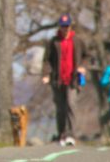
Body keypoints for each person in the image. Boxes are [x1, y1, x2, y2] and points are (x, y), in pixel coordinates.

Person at [42, 13, 87, 146]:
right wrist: (46, 74)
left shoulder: (77, 41)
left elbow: (86, 56)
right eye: (62, 26)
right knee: (60, 108)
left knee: (71, 105)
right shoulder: (54, 41)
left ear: (70, 26)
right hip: (57, 80)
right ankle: (62, 134)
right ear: (60, 27)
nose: (65, 28)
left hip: (72, 80)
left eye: (67, 26)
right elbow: (47, 60)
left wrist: (83, 67)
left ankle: (71, 135)